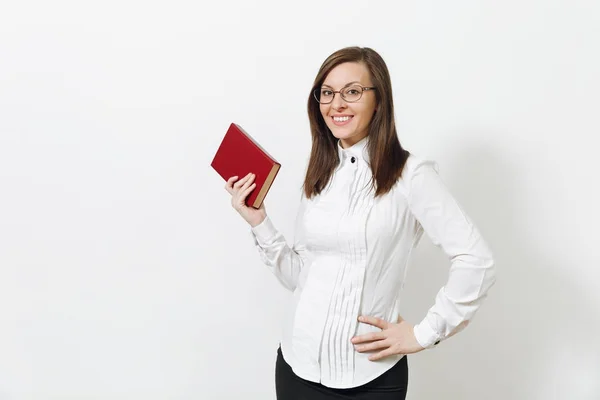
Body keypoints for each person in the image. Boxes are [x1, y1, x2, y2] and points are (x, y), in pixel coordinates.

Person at [224, 46, 496, 400]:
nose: (337, 104)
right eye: (327, 92)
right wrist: (259, 222)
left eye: (352, 91)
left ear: (379, 101)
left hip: (372, 379)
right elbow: (302, 279)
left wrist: (423, 333)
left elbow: (477, 261)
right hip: (295, 366)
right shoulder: (320, 174)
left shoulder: (412, 175)